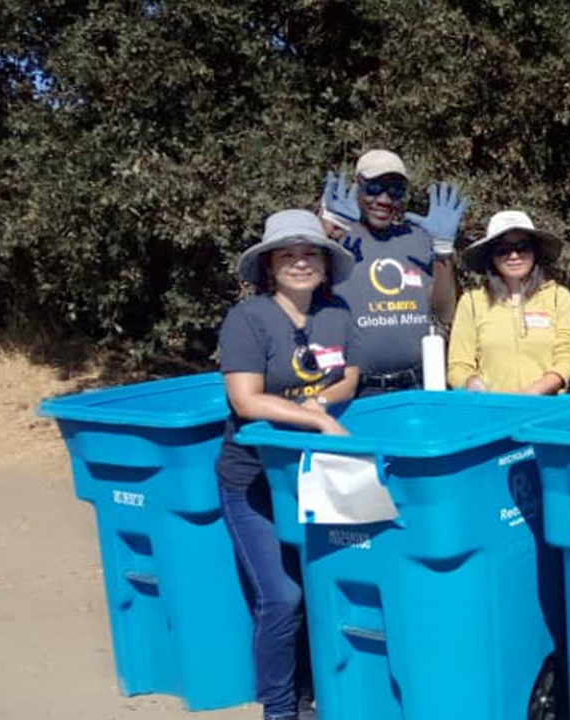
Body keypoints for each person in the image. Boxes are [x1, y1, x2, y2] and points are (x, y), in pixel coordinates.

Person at [214, 209, 359, 720]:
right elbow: (246, 400)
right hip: (252, 482)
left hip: (313, 480)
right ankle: (279, 709)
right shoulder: (248, 320)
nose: (300, 262)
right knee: (283, 597)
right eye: (287, 254)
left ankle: (311, 695)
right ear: (268, 267)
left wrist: (323, 402)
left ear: (325, 261)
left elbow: (349, 376)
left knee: (322, 592)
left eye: (309, 252)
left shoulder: (336, 313)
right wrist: (314, 419)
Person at [321, 149, 467, 394]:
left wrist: (443, 252)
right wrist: (325, 234)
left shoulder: (419, 239)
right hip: (355, 391)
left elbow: (444, 313)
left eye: (396, 190)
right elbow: (297, 292)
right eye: (374, 187)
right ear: (357, 186)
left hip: (416, 386)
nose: (385, 200)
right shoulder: (337, 242)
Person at [447, 210, 570, 394]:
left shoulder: (559, 297)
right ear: (491, 257)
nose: (514, 256)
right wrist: (471, 382)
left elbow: (567, 357)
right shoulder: (471, 302)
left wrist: (535, 391)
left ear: (535, 252)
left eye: (522, 247)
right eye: (503, 250)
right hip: (492, 411)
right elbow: (458, 365)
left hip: (545, 408)